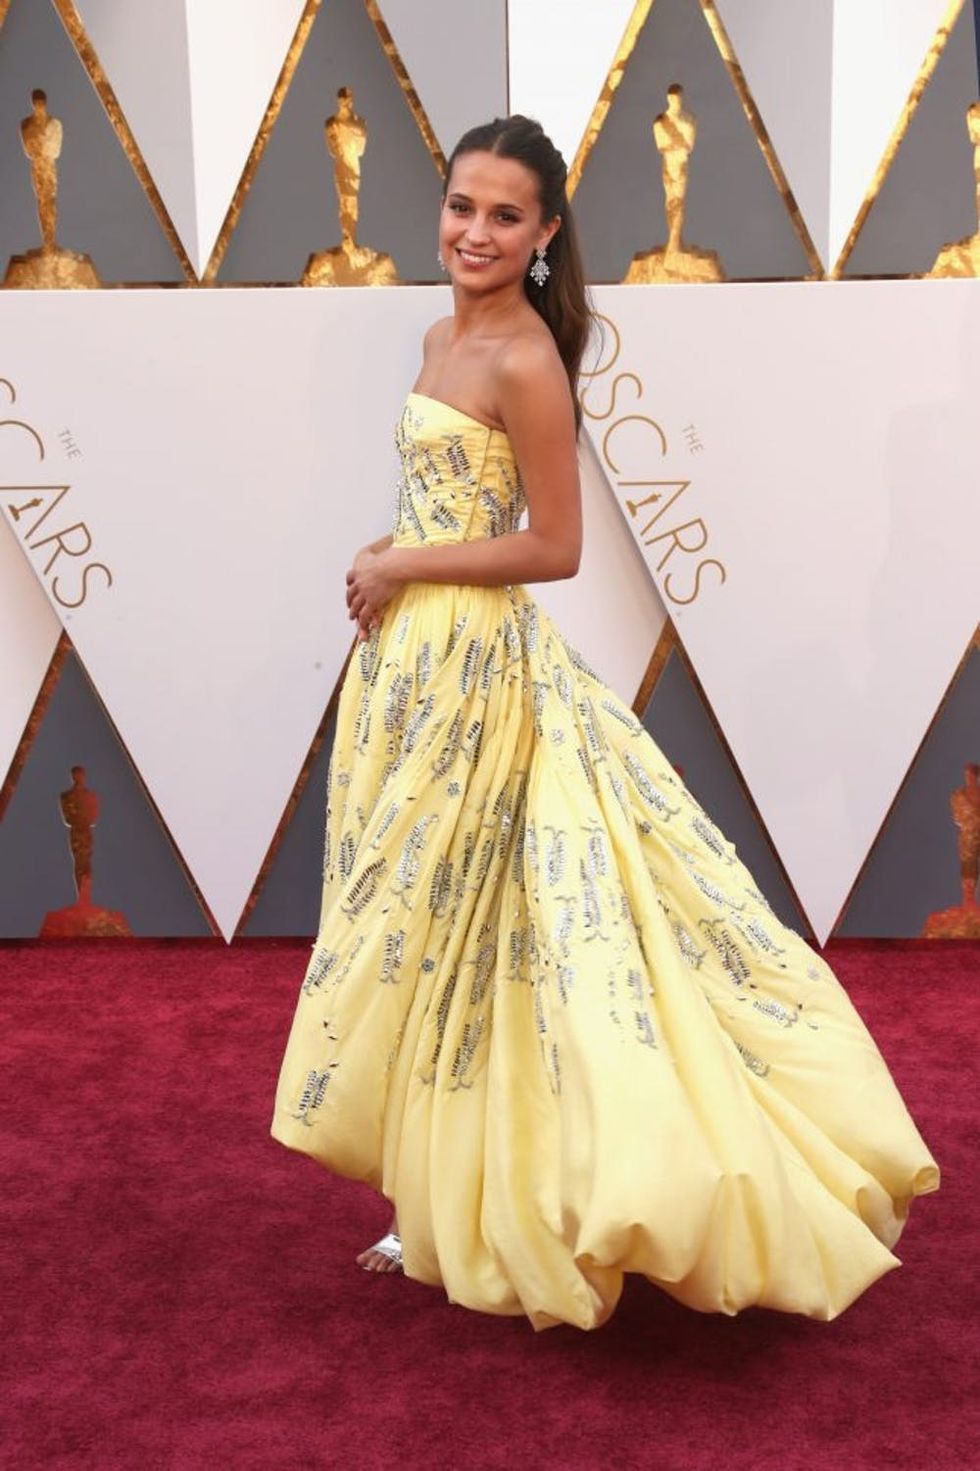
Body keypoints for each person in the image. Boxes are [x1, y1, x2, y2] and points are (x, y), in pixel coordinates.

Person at [270, 115, 939, 1331]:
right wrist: (388, 552)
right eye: (461, 205)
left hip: (476, 670)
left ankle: (530, 1194)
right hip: (411, 665)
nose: (473, 231)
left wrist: (404, 558)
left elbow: (555, 547)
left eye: (503, 216)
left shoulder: (523, 355)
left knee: (472, 926)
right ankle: (435, 1189)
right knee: (428, 926)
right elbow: (449, 493)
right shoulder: (438, 332)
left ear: (543, 234)